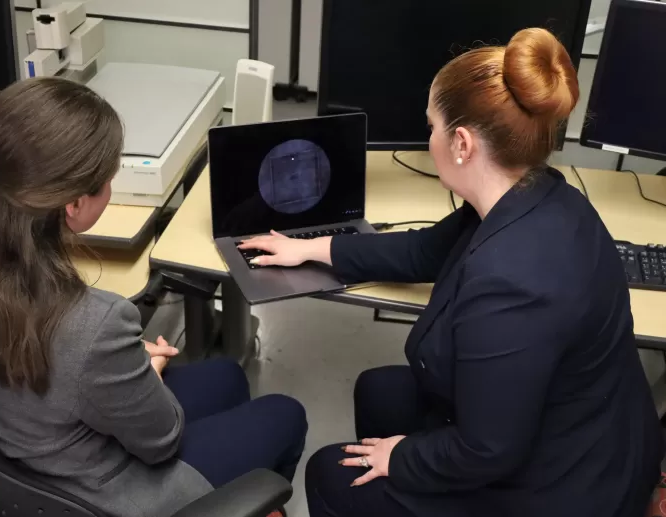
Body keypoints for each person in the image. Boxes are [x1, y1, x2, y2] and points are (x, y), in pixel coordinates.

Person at [240, 28, 664, 517]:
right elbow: (424, 250)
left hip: (561, 488)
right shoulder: (542, 194)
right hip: (580, 427)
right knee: (378, 390)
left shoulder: (510, 285)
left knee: (329, 473)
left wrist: (403, 457)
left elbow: (489, 449)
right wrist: (312, 248)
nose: (429, 140)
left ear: (462, 143)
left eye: (432, 127)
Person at [0, 77, 307, 517]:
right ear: (74, 205)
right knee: (284, 414)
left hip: (15, 458)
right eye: (109, 178)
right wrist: (143, 371)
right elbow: (160, 442)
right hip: (98, 494)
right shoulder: (93, 325)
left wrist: (117, 365)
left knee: (227, 376)